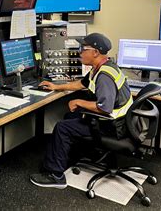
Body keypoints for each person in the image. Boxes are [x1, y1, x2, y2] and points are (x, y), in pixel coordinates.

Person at [29, 33, 133, 188]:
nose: (80, 52)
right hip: (119, 122)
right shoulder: (102, 67)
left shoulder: (104, 76)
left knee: (62, 128)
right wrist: (56, 86)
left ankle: (55, 176)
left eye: (84, 49)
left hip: (111, 127)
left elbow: (105, 108)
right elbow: (80, 84)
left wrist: (79, 101)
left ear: (95, 52)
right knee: (70, 116)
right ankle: (67, 158)